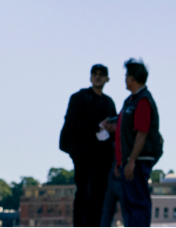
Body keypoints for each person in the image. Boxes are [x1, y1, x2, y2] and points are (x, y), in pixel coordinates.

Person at [101, 58, 161, 228]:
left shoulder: (142, 101)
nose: (125, 79)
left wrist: (132, 161)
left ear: (133, 78)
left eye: (127, 75)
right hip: (127, 164)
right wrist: (120, 162)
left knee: (138, 203)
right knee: (129, 204)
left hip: (138, 163)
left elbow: (142, 133)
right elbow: (122, 130)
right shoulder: (130, 101)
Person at [58, 64, 116, 226]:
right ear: (90, 76)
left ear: (107, 79)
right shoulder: (79, 98)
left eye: (101, 74)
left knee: (99, 198)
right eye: (95, 74)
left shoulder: (108, 102)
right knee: (84, 195)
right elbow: (72, 124)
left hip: (102, 158)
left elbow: (114, 128)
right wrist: (96, 127)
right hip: (83, 156)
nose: (97, 77)